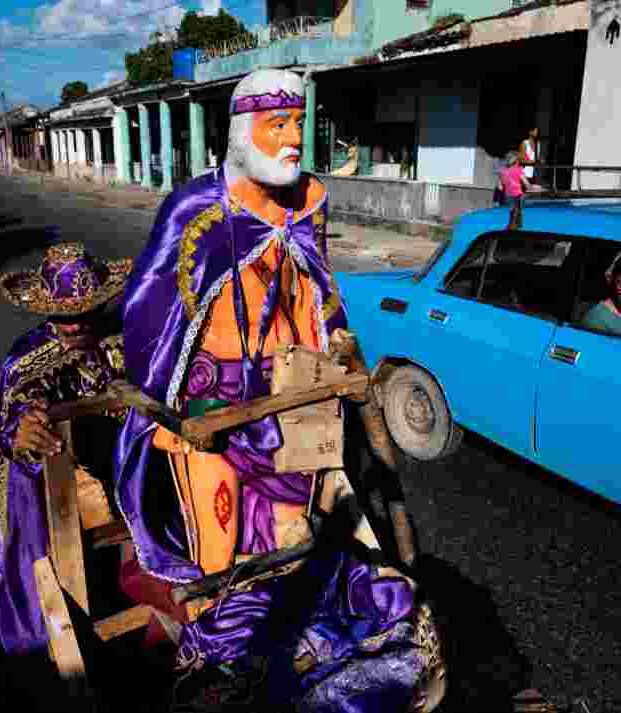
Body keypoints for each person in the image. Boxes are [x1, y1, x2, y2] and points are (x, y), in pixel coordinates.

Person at [113, 68, 444, 711]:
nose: (293, 138)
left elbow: (318, 289)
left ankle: (303, 642)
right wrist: (170, 403)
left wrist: (335, 345)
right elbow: (149, 311)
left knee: (297, 539)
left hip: (290, 394)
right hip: (208, 401)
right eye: (277, 125)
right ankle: (222, 649)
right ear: (242, 131)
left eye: (298, 123)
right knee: (220, 552)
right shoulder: (196, 208)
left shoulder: (309, 200)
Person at [0, 242, 132, 653]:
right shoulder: (25, 359)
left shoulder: (124, 338)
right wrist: (24, 429)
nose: (74, 326)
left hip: (123, 465)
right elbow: (16, 415)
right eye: (64, 317)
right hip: (61, 477)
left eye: (84, 314)